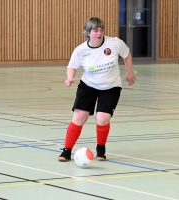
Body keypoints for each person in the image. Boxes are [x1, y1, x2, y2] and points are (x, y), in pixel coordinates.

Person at [58, 17, 136, 162]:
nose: (99, 33)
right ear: (88, 33)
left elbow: (127, 54)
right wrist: (70, 78)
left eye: (101, 30)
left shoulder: (114, 43)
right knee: (79, 117)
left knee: (102, 118)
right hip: (88, 86)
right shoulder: (81, 50)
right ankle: (67, 150)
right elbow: (72, 66)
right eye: (95, 30)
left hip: (111, 87)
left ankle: (101, 148)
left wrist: (129, 71)